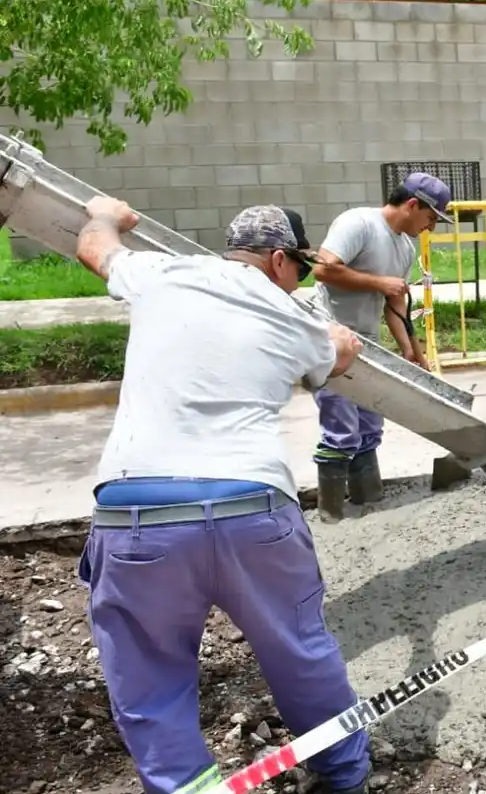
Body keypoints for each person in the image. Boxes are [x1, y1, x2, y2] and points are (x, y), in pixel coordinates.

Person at [73, 199, 371, 794]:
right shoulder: (294, 317)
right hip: (253, 509)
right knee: (299, 650)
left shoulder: (162, 273)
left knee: (149, 673)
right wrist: (340, 340)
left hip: (139, 512)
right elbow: (338, 357)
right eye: (299, 269)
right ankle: (343, 777)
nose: (299, 280)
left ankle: (187, 787)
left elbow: (93, 248)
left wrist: (105, 213)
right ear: (280, 260)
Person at [310, 172, 453, 517]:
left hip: (366, 342)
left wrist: (410, 350)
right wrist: (379, 283)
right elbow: (322, 269)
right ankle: (332, 513)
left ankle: (368, 500)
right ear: (412, 204)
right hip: (330, 337)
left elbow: (395, 302)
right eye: (431, 218)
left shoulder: (405, 247)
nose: (430, 228)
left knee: (369, 425)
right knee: (342, 429)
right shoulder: (358, 223)